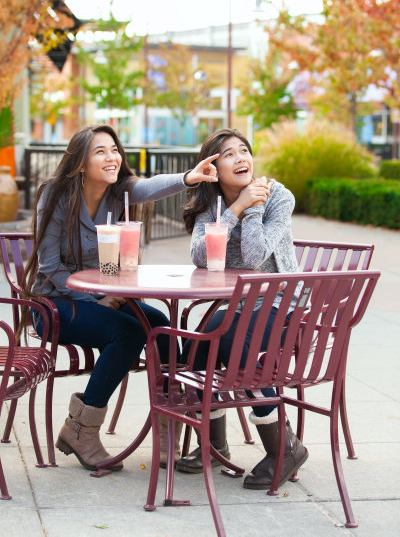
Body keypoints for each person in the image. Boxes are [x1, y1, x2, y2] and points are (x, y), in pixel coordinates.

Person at [21, 124, 218, 472]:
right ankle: (81, 428)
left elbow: (149, 186)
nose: (112, 157)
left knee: (160, 325)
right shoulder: (56, 195)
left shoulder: (118, 193)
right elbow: (50, 267)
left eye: (114, 149)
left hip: (102, 298)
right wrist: (96, 297)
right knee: (128, 333)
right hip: (55, 304)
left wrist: (189, 177)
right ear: (80, 162)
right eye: (100, 151)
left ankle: (166, 423)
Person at [176, 128, 308, 490]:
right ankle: (215, 443)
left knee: (233, 344)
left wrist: (253, 207)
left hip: (282, 304)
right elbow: (200, 256)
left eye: (244, 151)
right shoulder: (212, 204)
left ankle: (285, 448)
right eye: (229, 154)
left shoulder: (278, 197)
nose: (241, 158)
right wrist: (235, 208)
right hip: (241, 305)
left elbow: (253, 258)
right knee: (200, 343)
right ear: (214, 167)